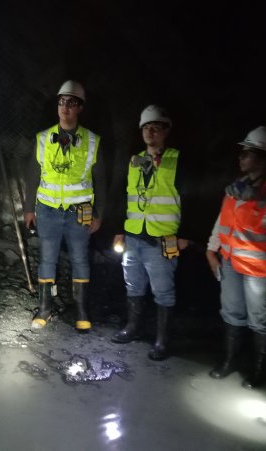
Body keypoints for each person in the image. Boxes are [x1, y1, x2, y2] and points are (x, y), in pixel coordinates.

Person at [205, 126, 266, 388]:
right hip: (230, 262)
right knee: (231, 313)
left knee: (260, 321)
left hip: (259, 270)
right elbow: (223, 221)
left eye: (247, 153)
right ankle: (230, 361)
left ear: (263, 158)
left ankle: (259, 371)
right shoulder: (236, 188)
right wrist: (211, 250)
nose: (240, 158)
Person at [24, 80, 106, 331]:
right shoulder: (43, 138)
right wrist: (28, 208)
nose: (65, 107)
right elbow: (32, 175)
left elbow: (101, 180)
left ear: (80, 107)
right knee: (47, 259)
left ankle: (82, 311)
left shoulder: (92, 141)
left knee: (80, 259)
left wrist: (99, 214)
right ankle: (45, 309)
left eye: (71, 103)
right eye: (62, 102)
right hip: (48, 209)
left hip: (79, 212)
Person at [110, 105, 188, 361]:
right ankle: (134, 327)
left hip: (163, 238)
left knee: (163, 290)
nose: (150, 131)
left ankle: (162, 340)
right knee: (133, 285)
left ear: (166, 131)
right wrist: (119, 230)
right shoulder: (135, 160)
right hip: (134, 235)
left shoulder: (177, 160)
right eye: (146, 127)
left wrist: (185, 235)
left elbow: (191, 198)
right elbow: (125, 196)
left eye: (156, 127)